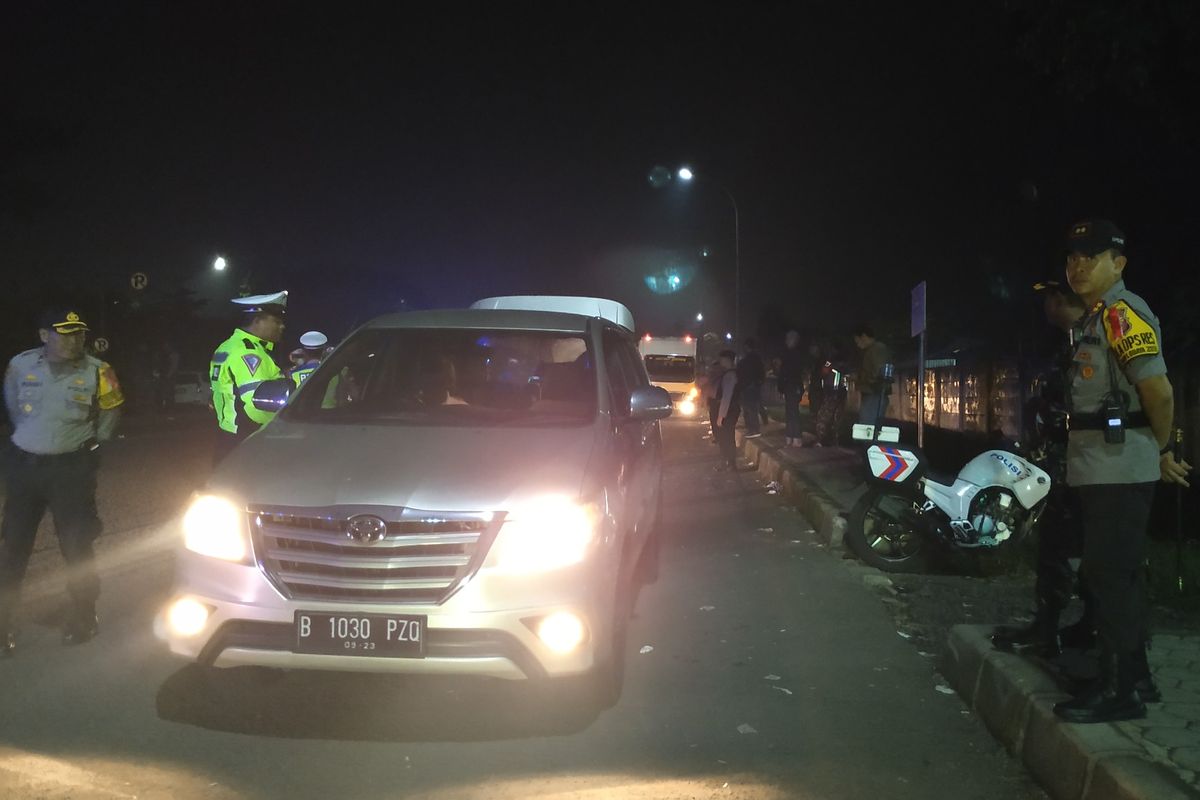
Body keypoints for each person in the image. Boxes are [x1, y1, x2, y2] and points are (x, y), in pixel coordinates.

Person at [1052, 220, 1192, 724]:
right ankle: (1136, 677)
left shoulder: (1121, 315)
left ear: (1120, 263)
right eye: (1072, 257)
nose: (1079, 265)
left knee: (1109, 575)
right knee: (1118, 577)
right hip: (1101, 467)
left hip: (1118, 468)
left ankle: (1118, 692)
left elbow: (1160, 392)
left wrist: (1153, 447)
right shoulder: (1096, 317)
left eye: (1092, 256)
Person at [0, 308, 124, 655]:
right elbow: (12, 404)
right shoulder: (20, 366)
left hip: (71, 471)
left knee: (77, 546)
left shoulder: (99, 370)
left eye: (79, 334)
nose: (74, 340)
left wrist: (95, 442)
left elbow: (112, 408)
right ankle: (4, 623)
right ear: (44, 336)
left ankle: (84, 615)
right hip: (24, 469)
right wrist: (30, 436)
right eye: (65, 333)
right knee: (13, 548)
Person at [992, 281, 1089, 658]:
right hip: (1069, 461)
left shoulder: (1087, 338)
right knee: (1063, 545)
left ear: (1061, 300)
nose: (1045, 306)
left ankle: (1050, 630)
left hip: (1074, 464)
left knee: (1059, 546)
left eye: (1049, 298)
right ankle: (1065, 626)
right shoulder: (1075, 338)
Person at [209, 291, 288, 466]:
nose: (282, 327)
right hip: (250, 439)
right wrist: (286, 421)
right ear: (257, 321)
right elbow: (256, 408)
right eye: (276, 321)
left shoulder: (228, 346)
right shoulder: (249, 353)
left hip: (228, 434)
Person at [853, 323, 892, 425]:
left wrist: (861, 379)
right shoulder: (872, 350)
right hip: (873, 394)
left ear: (864, 336)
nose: (857, 345)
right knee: (867, 429)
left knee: (867, 429)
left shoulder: (877, 349)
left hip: (874, 395)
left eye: (857, 341)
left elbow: (878, 373)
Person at [777, 330, 806, 447]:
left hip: (792, 386)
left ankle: (796, 437)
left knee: (792, 412)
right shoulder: (790, 354)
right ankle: (790, 436)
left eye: (789, 339)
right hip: (791, 386)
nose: (787, 341)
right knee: (790, 412)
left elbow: (786, 372)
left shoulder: (793, 355)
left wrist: (781, 386)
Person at [713, 350, 741, 471]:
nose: (721, 362)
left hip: (729, 410)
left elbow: (727, 396)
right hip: (732, 409)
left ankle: (729, 463)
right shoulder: (730, 374)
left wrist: (721, 415)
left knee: (726, 437)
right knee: (727, 436)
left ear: (728, 360)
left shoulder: (730, 375)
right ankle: (729, 463)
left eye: (722, 359)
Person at [736, 338, 766, 439]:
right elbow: (761, 373)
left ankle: (753, 429)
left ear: (747, 347)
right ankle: (752, 429)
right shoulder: (756, 359)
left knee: (750, 408)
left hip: (749, 387)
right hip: (752, 386)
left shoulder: (749, 360)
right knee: (750, 408)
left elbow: (743, 372)